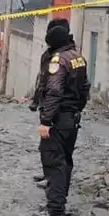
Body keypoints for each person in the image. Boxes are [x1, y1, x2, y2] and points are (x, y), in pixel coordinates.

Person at [30, 22, 88, 216]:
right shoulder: (77, 57)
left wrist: (46, 121)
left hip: (58, 118)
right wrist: (76, 110)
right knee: (65, 161)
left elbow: (54, 91)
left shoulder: (58, 61)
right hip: (71, 119)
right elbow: (85, 89)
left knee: (53, 161)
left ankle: (54, 208)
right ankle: (58, 202)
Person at [30, 18, 71, 186]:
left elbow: (54, 88)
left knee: (54, 150)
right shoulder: (62, 54)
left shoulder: (60, 57)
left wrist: (47, 118)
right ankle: (50, 176)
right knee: (47, 148)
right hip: (55, 108)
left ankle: (55, 188)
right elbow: (42, 79)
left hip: (56, 111)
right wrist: (36, 100)